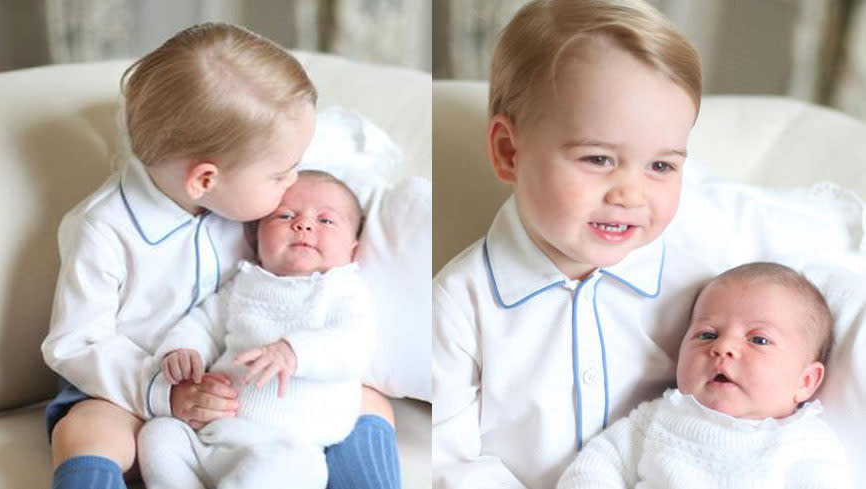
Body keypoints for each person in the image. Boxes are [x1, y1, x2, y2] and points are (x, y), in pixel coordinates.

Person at [42, 23, 398, 489]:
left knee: (369, 401)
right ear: (205, 180)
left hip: (253, 388)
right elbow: (74, 343)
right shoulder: (103, 229)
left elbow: (338, 151)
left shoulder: (248, 189)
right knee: (89, 430)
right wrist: (164, 392)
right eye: (280, 175)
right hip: (131, 390)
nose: (292, 183)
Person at [432, 1, 714, 488]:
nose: (629, 194)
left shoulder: (700, 280)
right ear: (508, 152)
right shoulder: (461, 303)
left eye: (661, 166)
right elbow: (449, 461)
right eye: (599, 158)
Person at [137, 170, 374, 489]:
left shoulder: (344, 291)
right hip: (212, 436)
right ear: (256, 236)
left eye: (326, 220)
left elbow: (356, 346)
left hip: (286, 446)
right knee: (159, 435)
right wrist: (183, 350)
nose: (303, 225)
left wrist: (295, 352)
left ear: (353, 249)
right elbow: (203, 323)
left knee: (302, 468)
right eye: (285, 215)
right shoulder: (244, 284)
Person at [556, 262, 853, 488]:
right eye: (707, 334)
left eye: (758, 340)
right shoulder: (655, 420)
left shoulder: (804, 443)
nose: (723, 347)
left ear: (805, 381)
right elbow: (595, 465)